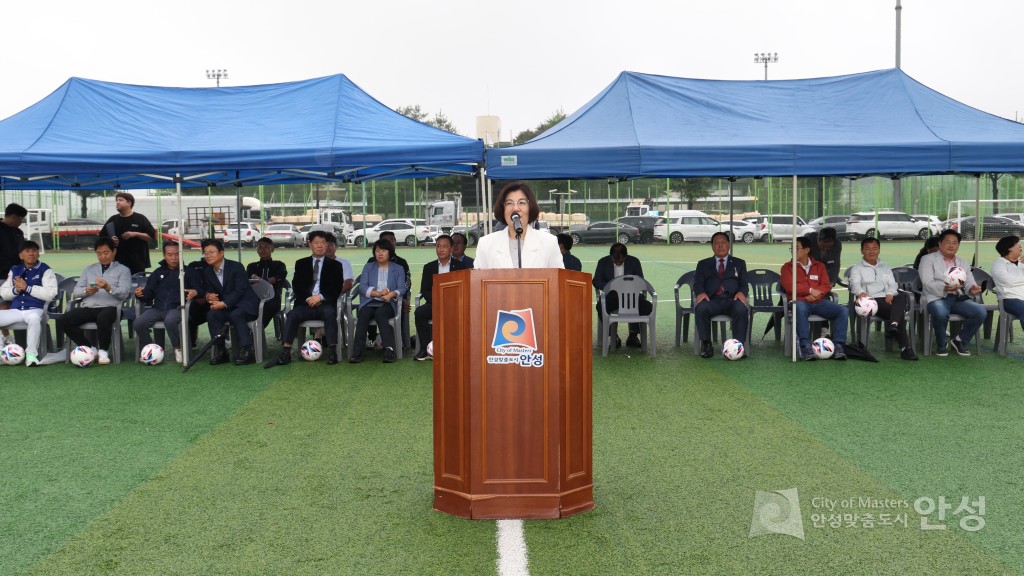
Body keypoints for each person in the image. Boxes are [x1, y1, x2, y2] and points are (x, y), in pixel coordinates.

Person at [265, 230, 345, 367]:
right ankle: (285, 352)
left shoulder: (336, 265)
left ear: (327, 245)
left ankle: (332, 351)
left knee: (330, 314)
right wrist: (309, 298)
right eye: (316, 243)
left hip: (324, 303)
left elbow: (336, 287)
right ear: (310, 245)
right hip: (305, 303)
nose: (320, 246)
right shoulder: (301, 263)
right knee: (292, 315)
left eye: (323, 243)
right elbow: (297, 285)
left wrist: (319, 297)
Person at [59, 237, 132, 365]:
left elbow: (125, 293)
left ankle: (103, 351)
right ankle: (90, 349)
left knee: (103, 318)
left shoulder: (123, 270)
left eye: (106, 253)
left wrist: (108, 287)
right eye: (99, 253)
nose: (102, 256)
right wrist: (86, 291)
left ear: (114, 251)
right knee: (65, 319)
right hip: (90, 307)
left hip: (111, 307)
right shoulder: (89, 269)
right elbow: (76, 291)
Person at [193, 238, 261, 365]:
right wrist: (209, 296)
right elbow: (210, 290)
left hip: (246, 305)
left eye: (211, 252)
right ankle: (221, 351)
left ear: (221, 252)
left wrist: (223, 304)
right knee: (212, 315)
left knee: (236, 314)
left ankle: (247, 351)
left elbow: (239, 291)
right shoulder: (207, 271)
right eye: (205, 253)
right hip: (228, 307)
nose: (208, 255)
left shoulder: (236, 267)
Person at [918, 229, 985, 356]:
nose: (951, 245)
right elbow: (927, 282)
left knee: (980, 312)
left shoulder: (962, 261)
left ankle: (959, 340)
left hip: (956, 298)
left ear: (958, 245)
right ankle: (941, 343)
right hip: (935, 297)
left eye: (955, 243)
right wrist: (944, 287)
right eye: (947, 242)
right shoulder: (927, 259)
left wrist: (972, 288)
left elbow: (969, 280)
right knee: (941, 312)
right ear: (940, 244)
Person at [849, 237, 917, 360]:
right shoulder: (857, 268)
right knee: (898, 313)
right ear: (862, 251)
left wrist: (890, 293)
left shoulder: (885, 267)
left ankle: (894, 325)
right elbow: (855, 284)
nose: (871, 251)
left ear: (879, 250)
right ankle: (905, 347)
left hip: (887, 298)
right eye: (868, 249)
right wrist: (861, 293)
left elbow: (893, 284)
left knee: (901, 297)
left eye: (874, 248)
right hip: (871, 300)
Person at [780, 236, 848, 360]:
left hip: (818, 301)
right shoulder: (787, 268)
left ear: (807, 250)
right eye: (792, 248)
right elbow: (790, 287)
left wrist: (818, 293)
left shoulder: (819, 266)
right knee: (799, 307)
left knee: (842, 310)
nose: (793, 251)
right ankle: (806, 346)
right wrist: (810, 291)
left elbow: (826, 285)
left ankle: (839, 345)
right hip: (798, 302)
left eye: (796, 248)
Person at [474, 182, 563, 269]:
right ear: (503, 209)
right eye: (509, 203)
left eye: (522, 202)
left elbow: (559, 280)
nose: (516, 208)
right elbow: (477, 281)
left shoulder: (549, 243)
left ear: (530, 207)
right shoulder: (485, 244)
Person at [0, 240, 58, 367]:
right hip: (16, 310)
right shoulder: (15, 270)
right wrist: (16, 290)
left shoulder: (45, 270)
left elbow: (51, 293)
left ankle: (31, 355)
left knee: (34, 319)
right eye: (27, 251)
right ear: (21, 255)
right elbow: (3, 292)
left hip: (36, 309)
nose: (31, 254)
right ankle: (1, 353)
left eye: (34, 250)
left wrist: (28, 288)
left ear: (38, 254)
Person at [693, 232, 749, 358]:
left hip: (731, 300)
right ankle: (706, 345)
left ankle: (739, 346)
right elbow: (697, 283)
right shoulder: (703, 264)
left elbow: (744, 284)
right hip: (712, 300)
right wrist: (701, 292)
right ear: (712, 246)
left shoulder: (739, 263)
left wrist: (741, 292)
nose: (720, 246)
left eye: (723, 242)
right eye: (716, 243)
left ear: (729, 245)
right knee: (701, 308)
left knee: (741, 309)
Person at [351, 239, 406, 364]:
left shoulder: (398, 269)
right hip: (369, 302)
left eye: (383, 250)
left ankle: (389, 349)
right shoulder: (369, 267)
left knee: (381, 313)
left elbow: (402, 288)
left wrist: (391, 294)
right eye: (377, 251)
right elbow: (362, 287)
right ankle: (358, 351)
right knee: (363, 314)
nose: (380, 253)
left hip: (387, 303)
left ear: (390, 253)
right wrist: (378, 293)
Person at [413, 234, 467, 361]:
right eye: (438, 246)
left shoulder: (460, 267)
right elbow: (425, 290)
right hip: (434, 303)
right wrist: (438, 301)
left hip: (453, 304)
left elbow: (464, 288)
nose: (441, 249)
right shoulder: (429, 267)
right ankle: (426, 349)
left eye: (444, 246)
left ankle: (456, 349)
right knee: (420, 312)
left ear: (451, 248)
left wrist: (450, 301)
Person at [134, 242, 189, 363]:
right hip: (157, 309)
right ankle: (151, 350)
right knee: (138, 323)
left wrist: (194, 292)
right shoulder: (157, 273)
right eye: (170, 254)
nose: (173, 258)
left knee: (170, 321)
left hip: (177, 308)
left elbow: (196, 289)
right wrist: (140, 294)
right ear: (164, 255)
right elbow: (148, 294)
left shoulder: (187, 272)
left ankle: (178, 347)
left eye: (176, 254)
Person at [593, 242, 649, 348]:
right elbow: (596, 281)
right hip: (611, 295)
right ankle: (613, 336)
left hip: (630, 295)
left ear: (626, 256)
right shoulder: (603, 262)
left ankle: (633, 335)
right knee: (600, 306)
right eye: (615, 261)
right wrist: (611, 287)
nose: (618, 262)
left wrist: (628, 288)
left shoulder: (634, 261)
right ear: (610, 257)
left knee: (647, 306)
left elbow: (640, 280)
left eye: (621, 260)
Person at [99, 192, 157, 274]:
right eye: (116, 200)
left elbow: (153, 236)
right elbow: (102, 237)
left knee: (136, 286)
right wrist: (110, 240)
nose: (117, 202)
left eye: (120, 200)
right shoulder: (113, 219)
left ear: (129, 203)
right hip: (117, 263)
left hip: (137, 263)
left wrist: (135, 234)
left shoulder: (140, 218)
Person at [0, 203, 28, 345]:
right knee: (3, 305)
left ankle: (19, 339)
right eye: (21, 219)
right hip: (1, 275)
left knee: (15, 305)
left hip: (17, 274)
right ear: (13, 217)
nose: (21, 222)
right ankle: (6, 337)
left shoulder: (18, 233)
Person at [246, 237, 287, 329]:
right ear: (256, 249)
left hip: (273, 299)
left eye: (266, 247)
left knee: (268, 305)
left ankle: (257, 329)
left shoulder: (279, 265)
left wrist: (259, 280)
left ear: (272, 249)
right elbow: (249, 282)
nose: (263, 250)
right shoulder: (251, 266)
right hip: (254, 298)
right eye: (260, 247)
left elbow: (276, 278)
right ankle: (248, 329)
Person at [992, 235, 1024, 335]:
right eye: (1018, 244)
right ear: (1009, 248)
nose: (1021, 246)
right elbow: (1008, 281)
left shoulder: (1021, 264)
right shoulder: (998, 265)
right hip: (1009, 299)